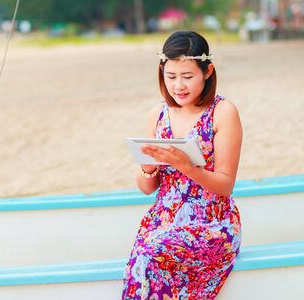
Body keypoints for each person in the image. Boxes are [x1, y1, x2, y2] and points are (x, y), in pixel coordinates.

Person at [122, 30, 243, 299]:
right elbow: (146, 188)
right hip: (163, 221)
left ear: (208, 71)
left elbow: (225, 185)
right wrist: (149, 167)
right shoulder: (158, 114)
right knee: (144, 255)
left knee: (149, 253)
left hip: (213, 223)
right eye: (171, 76)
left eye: (188, 77)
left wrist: (187, 167)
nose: (179, 86)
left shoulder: (222, 112)